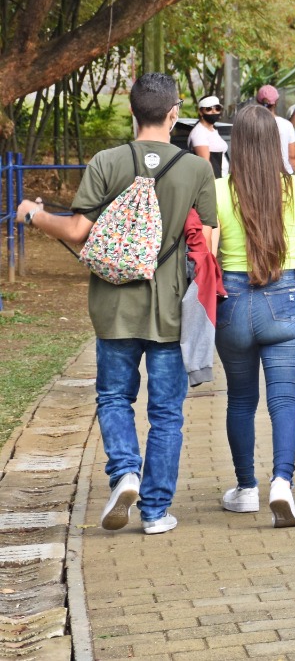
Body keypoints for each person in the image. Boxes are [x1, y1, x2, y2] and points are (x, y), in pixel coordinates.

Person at [18, 73, 217, 535]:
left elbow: (76, 231)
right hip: (169, 308)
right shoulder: (196, 169)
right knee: (166, 413)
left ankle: (125, 471)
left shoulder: (106, 162)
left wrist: (35, 214)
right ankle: (155, 512)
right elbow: (205, 244)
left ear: (131, 111)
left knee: (113, 397)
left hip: (112, 305)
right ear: (174, 114)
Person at [211, 105, 295, 529]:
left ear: (235, 144)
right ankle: (282, 483)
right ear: (275, 143)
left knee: (240, 399)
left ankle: (246, 489)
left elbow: (209, 255)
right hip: (286, 297)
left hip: (233, 301)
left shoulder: (217, 191)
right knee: (284, 399)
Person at [188, 95, 228, 177]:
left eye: (217, 108)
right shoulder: (199, 133)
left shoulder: (213, 130)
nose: (214, 111)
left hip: (222, 179)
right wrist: (214, 183)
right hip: (214, 181)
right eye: (209, 109)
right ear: (200, 112)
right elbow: (206, 165)